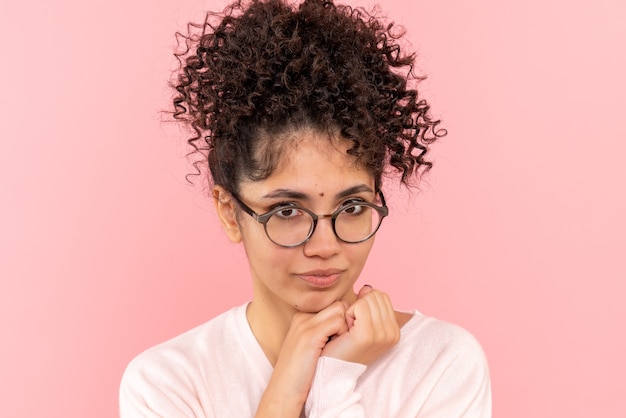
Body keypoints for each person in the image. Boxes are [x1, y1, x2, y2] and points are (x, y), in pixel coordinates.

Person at [119, 0, 491, 416]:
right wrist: (283, 395)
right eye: (286, 212)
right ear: (229, 211)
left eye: (352, 206)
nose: (325, 247)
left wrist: (334, 374)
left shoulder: (440, 365)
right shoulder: (168, 383)